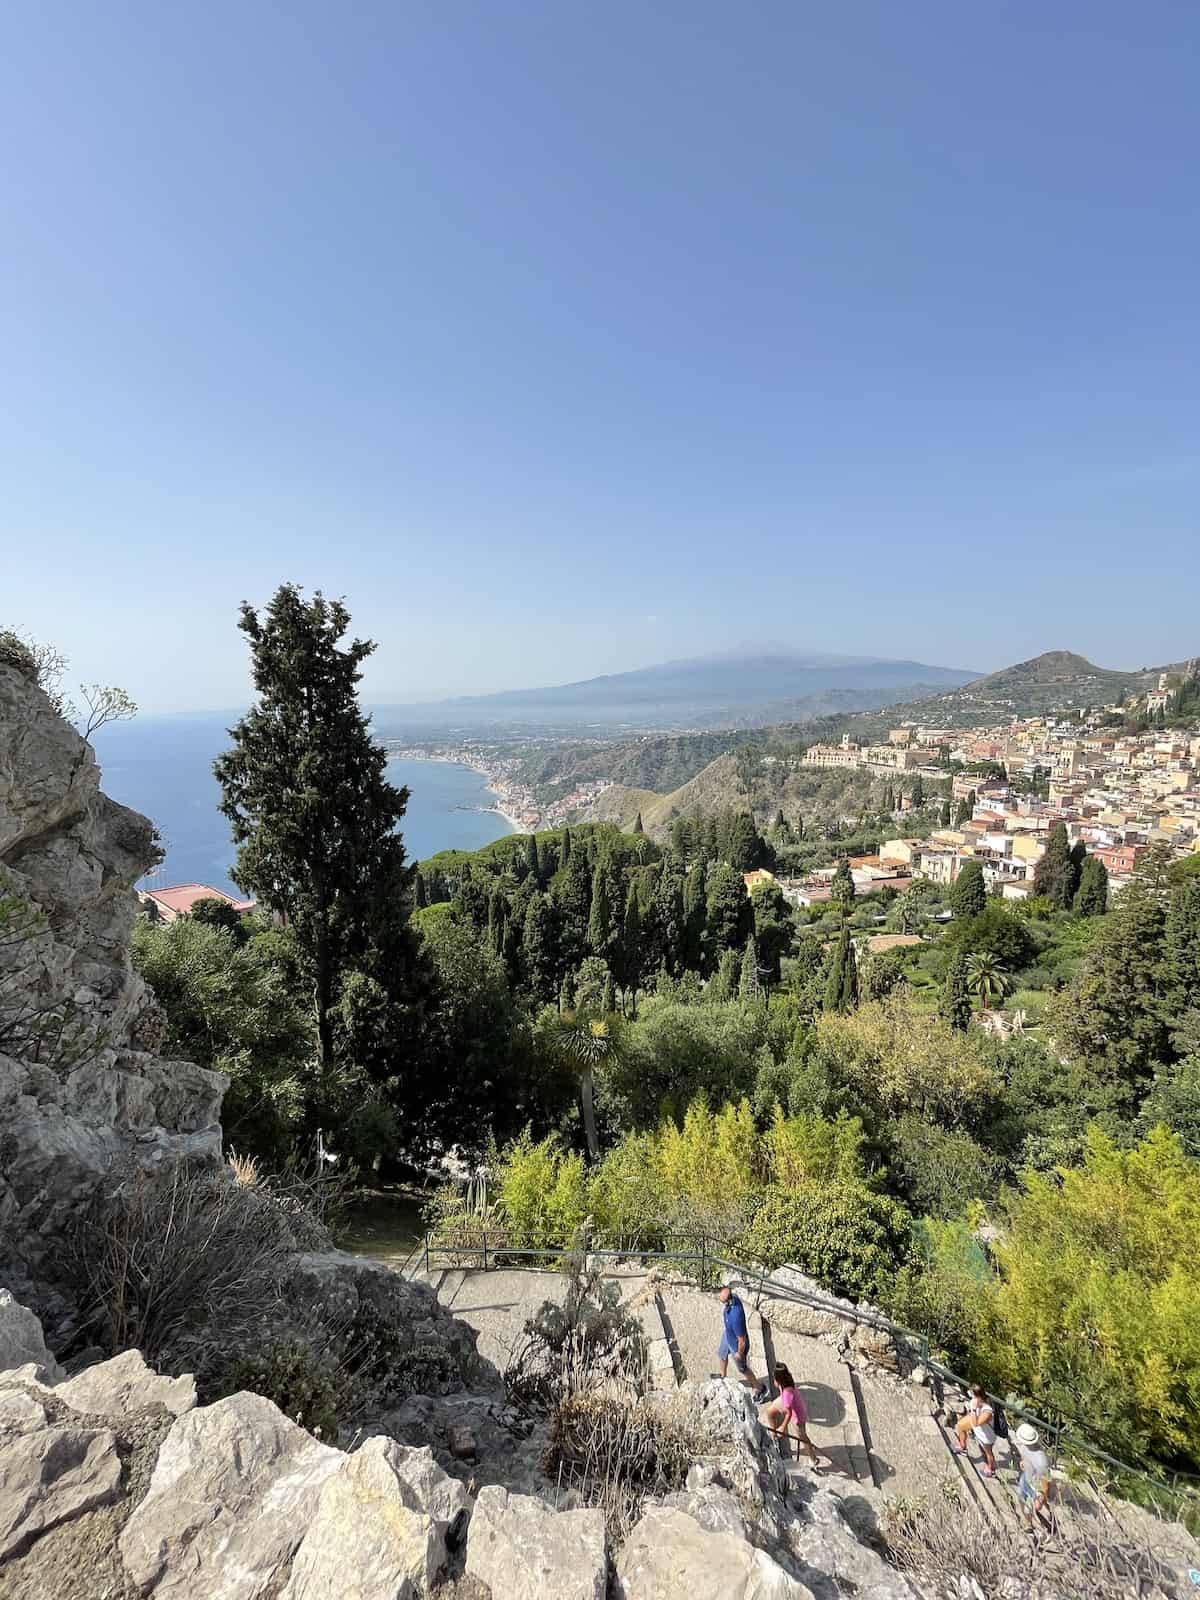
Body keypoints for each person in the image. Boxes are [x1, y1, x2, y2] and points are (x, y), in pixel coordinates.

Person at [716, 1285, 768, 1403]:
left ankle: (760, 1388)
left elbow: (742, 1340)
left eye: (723, 1302)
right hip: (728, 1336)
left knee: (742, 1368)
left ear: (729, 1300)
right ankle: (722, 1376)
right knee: (722, 1354)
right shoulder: (733, 1298)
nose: (722, 1304)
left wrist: (739, 1354)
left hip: (736, 1346)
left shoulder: (736, 1316)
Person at [763, 1362, 820, 1465]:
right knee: (770, 1412)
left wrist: (783, 1427)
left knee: (803, 1437)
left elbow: (788, 1414)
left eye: (774, 1378)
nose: (773, 1380)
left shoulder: (787, 1394)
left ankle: (813, 1459)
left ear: (779, 1380)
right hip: (788, 1402)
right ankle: (774, 1435)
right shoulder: (787, 1381)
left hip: (797, 1416)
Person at [950, 1384, 998, 1476]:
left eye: (971, 1393)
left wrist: (974, 1409)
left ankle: (991, 1469)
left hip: (986, 1436)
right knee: (960, 1425)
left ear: (977, 1395)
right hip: (978, 1428)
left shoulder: (987, 1411)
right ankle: (962, 1446)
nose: (969, 1394)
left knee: (988, 1452)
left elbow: (976, 1423)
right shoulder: (975, 1401)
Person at [1012, 1422, 1052, 1524]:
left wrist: (1041, 1500)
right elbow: (1024, 1455)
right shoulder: (1025, 1446)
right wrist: (1023, 1462)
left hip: (1036, 1485)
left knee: (1036, 1507)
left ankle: (1047, 1523)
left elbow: (1045, 1485)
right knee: (1022, 1498)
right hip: (1026, 1476)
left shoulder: (1042, 1461)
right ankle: (1028, 1522)